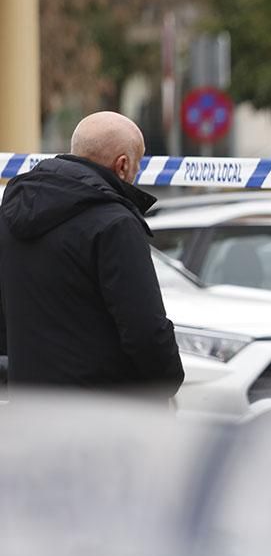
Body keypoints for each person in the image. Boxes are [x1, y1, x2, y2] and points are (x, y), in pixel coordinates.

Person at [0, 111, 184, 395]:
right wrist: (168, 383)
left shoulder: (9, 215)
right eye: (138, 164)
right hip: (103, 413)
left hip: (30, 407)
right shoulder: (115, 223)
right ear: (122, 165)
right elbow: (145, 332)